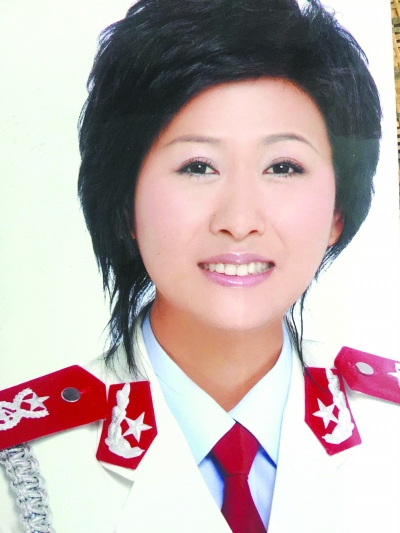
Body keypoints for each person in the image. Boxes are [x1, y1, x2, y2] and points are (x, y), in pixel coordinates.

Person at [0, 1, 399, 532]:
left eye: (283, 167)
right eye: (197, 166)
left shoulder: (390, 428)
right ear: (126, 205)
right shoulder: (25, 462)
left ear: (337, 212)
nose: (239, 221)